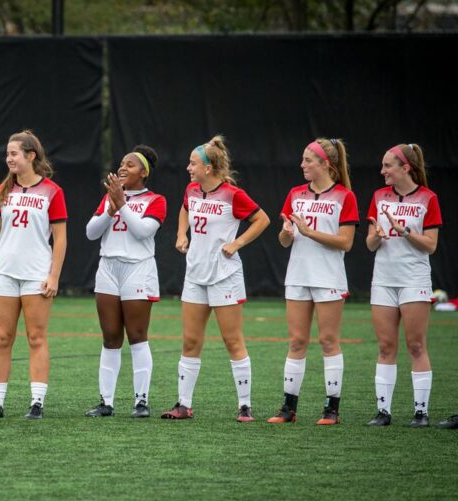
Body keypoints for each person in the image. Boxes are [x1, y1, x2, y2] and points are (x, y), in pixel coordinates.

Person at [160, 136, 270, 421]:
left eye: (193, 163)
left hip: (225, 276)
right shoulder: (192, 190)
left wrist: (237, 244)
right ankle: (184, 404)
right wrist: (181, 234)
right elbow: (185, 207)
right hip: (195, 275)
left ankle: (245, 405)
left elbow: (262, 220)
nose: (188, 168)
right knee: (190, 342)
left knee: (232, 341)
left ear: (208, 168)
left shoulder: (233, 194)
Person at [267, 138, 358, 426]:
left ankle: (332, 409)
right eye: (303, 159)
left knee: (329, 341)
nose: (302, 164)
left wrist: (308, 231)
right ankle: (288, 408)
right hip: (298, 275)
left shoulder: (345, 196)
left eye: (308, 160)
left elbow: (345, 242)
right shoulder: (295, 194)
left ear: (325, 164)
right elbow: (285, 241)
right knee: (296, 342)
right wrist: (287, 232)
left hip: (328, 276)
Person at [0, 130, 67, 420]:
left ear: (31, 156)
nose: (9, 158)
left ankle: (37, 402)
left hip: (35, 275)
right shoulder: (2, 190)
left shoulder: (52, 191)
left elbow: (60, 238)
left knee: (36, 337)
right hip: (4, 274)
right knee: (2, 337)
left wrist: (53, 275)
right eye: (7, 154)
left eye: (14, 153)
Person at [84, 145, 167, 418]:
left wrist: (121, 203)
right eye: (121, 163)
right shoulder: (109, 197)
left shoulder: (156, 200)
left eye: (130, 165)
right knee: (110, 337)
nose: (122, 168)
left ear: (143, 172)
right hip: (108, 267)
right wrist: (111, 207)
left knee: (137, 337)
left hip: (138, 269)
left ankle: (141, 401)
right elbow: (90, 233)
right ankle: (106, 402)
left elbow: (143, 232)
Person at [365, 143, 441, 428]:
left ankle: (420, 412)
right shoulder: (378, 197)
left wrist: (405, 231)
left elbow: (431, 246)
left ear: (405, 168)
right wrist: (378, 237)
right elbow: (370, 243)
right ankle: (383, 412)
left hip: (413, 280)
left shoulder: (428, 199)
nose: (383, 171)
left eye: (388, 166)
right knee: (386, 346)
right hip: (383, 280)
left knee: (416, 345)